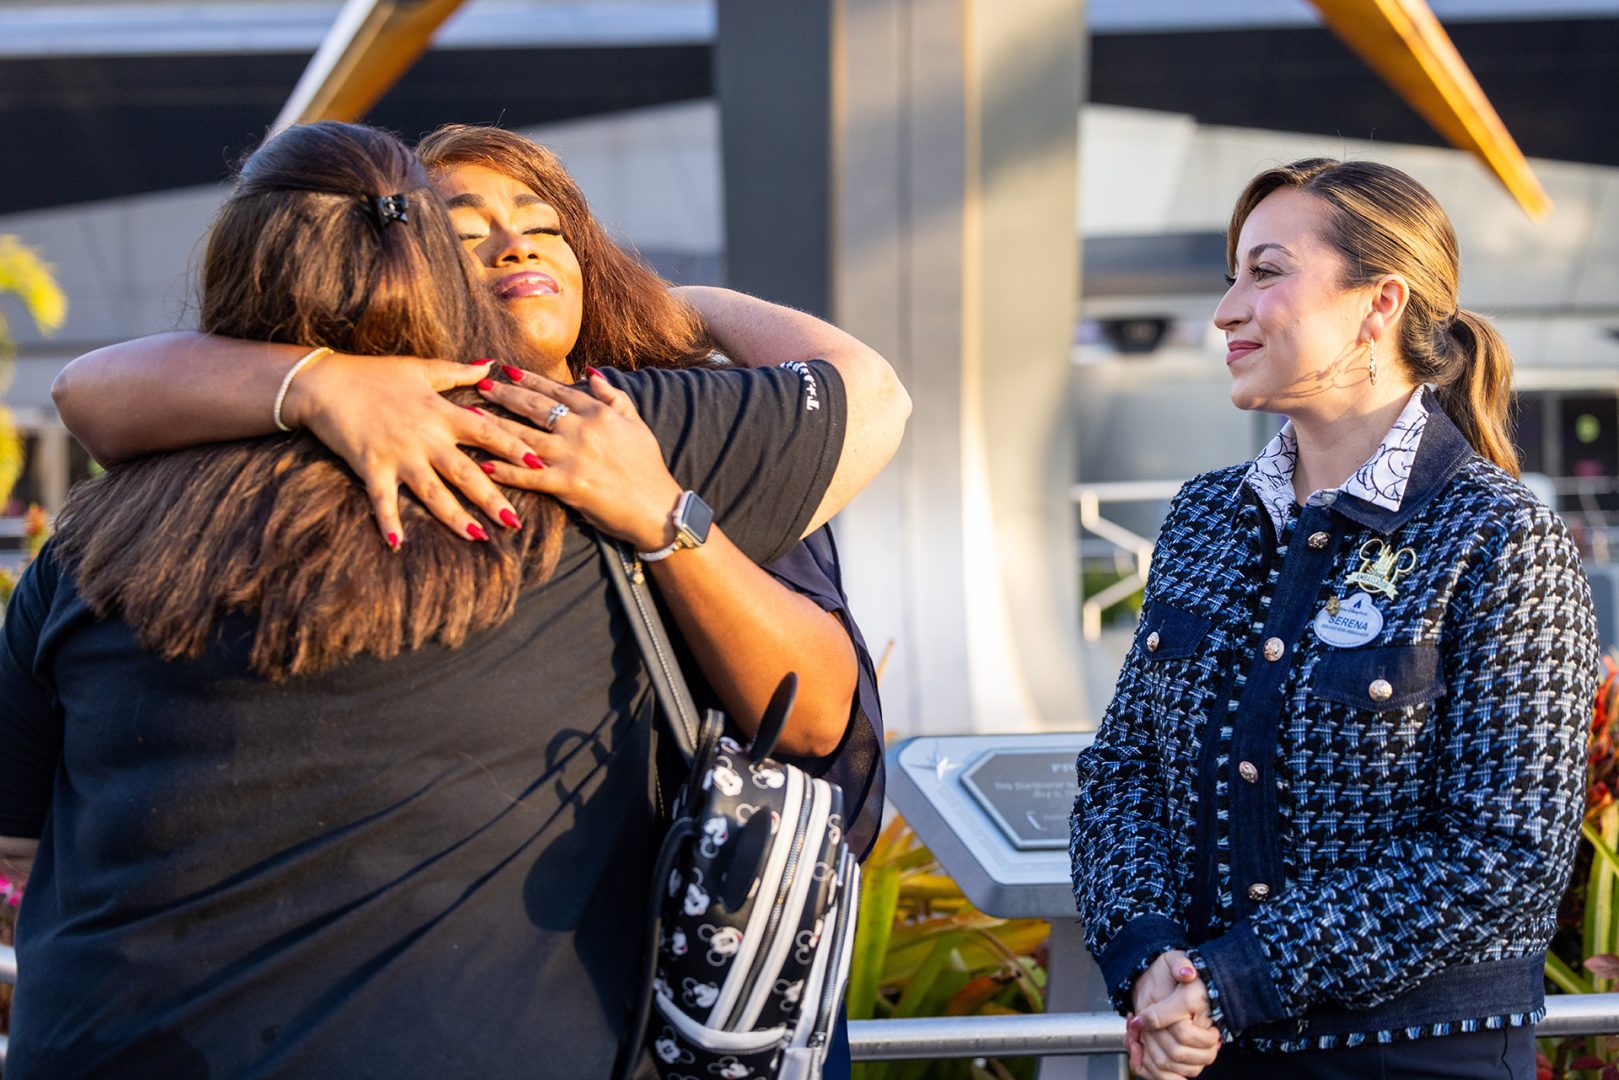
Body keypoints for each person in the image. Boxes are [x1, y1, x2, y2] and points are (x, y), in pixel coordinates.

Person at [0, 120, 908, 1077]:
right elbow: (870, 391)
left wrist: (307, 384)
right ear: (425, 261)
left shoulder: (99, 537)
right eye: (463, 229)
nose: (514, 247)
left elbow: (21, 842)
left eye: (545, 226)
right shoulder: (569, 437)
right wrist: (683, 320)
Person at [1069, 157, 1599, 1080]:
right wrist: (1149, 957)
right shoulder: (1205, 515)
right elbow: (1122, 776)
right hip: (1207, 1051)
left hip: (1423, 1061)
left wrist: (1232, 977)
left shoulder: (1499, 535)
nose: (1226, 311)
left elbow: (1504, 851)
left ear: (1378, 304)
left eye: (1265, 272)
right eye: (1230, 276)